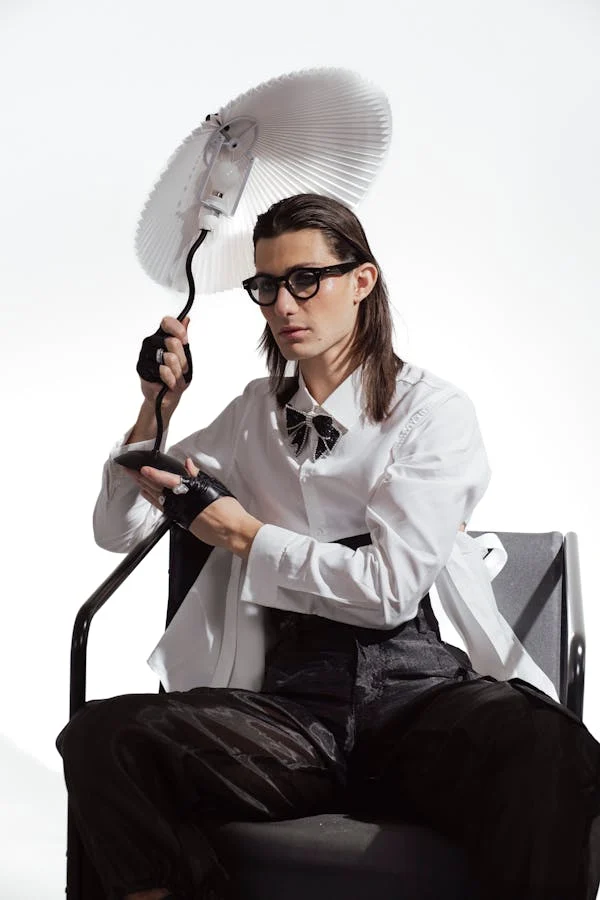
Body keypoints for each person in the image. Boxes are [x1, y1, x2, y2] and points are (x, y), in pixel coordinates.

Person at [57, 193, 600, 900]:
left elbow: (389, 592)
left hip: (416, 693)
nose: (284, 305)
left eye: (306, 279)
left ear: (362, 281)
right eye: (266, 286)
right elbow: (118, 528)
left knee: (550, 748)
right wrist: (155, 408)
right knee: (102, 738)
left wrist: (246, 535)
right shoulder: (252, 415)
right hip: (295, 711)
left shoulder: (433, 413)